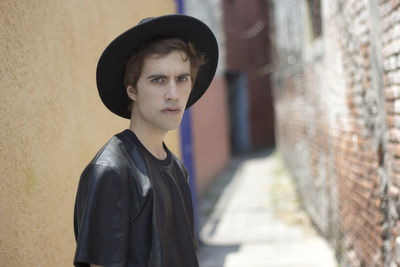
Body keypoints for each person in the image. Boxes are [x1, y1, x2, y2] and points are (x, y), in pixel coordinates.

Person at [73, 14, 218, 267]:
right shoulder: (112, 171)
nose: (173, 94)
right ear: (132, 90)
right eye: (158, 80)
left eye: (182, 79)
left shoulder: (176, 168)